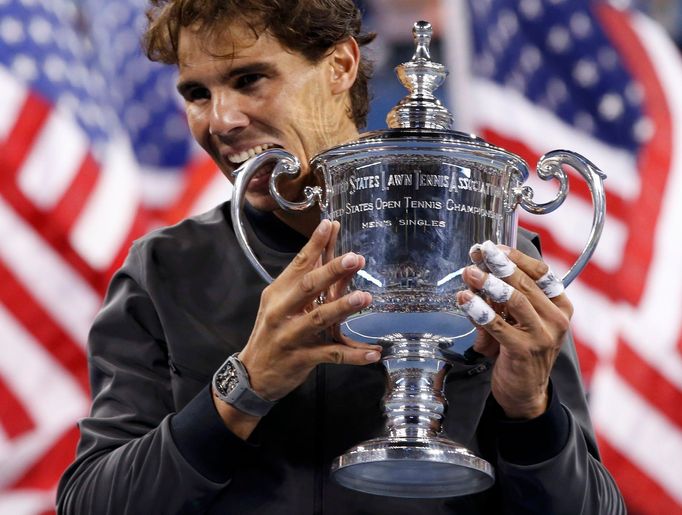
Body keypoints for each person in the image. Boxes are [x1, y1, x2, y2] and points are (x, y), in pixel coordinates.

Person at [57, 1, 625, 513]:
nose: (221, 121)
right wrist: (243, 387)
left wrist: (532, 413)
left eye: (249, 79)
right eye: (197, 94)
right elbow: (90, 502)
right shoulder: (162, 270)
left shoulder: (493, 258)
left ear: (341, 66)